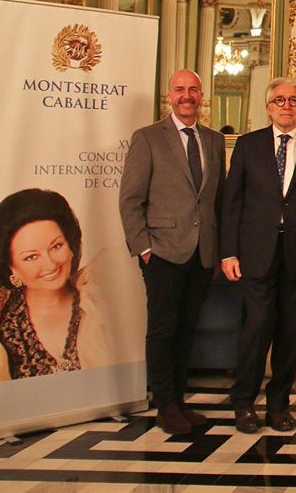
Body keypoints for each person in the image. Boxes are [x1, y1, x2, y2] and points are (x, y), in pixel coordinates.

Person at [221, 76, 296, 434]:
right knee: (255, 330)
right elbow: (232, 201)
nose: (287, 106)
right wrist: (228, 252)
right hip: (255, 253)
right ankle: (243, 402)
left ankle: (278, 404)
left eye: (293, 100)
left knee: (290, 332)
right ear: (269, 107)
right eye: (280, 100)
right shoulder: (248, 144)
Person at [119, 69, 227, 434]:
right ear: (169, 96)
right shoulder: (148, 138)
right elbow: (130, 199)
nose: (187, 95)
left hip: (202, 254)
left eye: (193, 89)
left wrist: (218, 249)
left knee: (186, 328)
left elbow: (218, 199)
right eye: (180, 89)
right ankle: (164, 405)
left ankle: (179, 401)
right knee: (162, 329)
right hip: (162, 251)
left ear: (201, 96)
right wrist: (143, 247)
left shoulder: (213, 140)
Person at [0, 189, 114, 384]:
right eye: (31, 257)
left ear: (70, 247)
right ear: (11, 268)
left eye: (56, 246)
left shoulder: (101, 299)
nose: (50, 264)